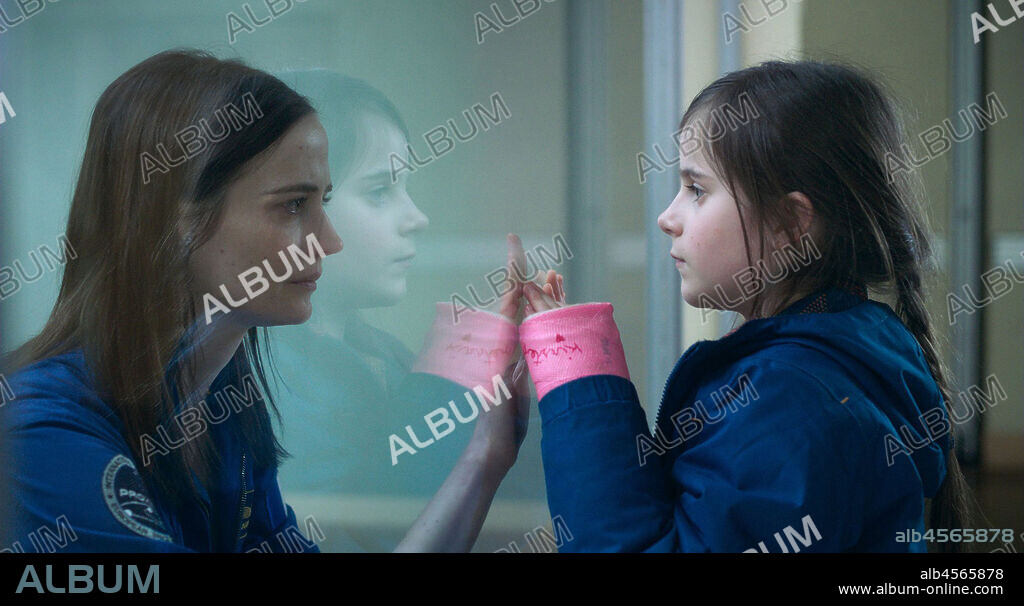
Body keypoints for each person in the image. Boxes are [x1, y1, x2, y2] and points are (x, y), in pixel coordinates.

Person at [0, 50, 530, 553]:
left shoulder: (227, 408)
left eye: (324, 201)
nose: (330, 240)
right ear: (174, 220)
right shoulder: (39, 436)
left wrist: (486, 456)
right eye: (293, 205)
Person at [513, 59, 978, 553]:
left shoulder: (791, 407)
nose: (667, 217)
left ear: (791, 221)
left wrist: (580, 385)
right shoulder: (841, 356)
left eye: (696, 189)